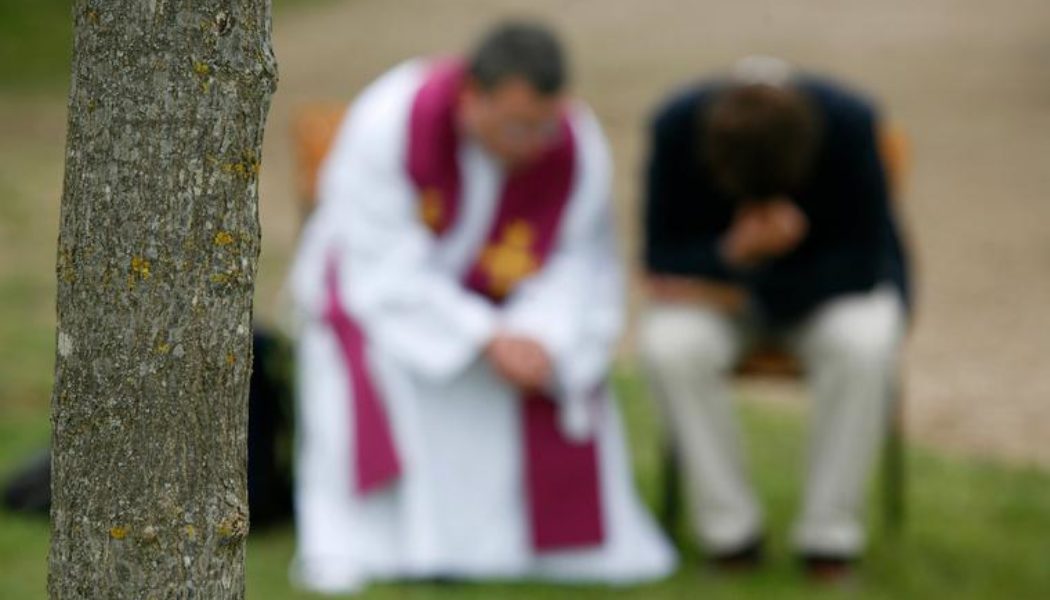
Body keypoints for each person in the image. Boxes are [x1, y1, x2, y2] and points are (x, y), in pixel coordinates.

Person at [286, 21, 675, 594]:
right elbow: (379, 258)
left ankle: (527, 551)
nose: (532, 144)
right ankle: (389, 547)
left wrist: (538, 333)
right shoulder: (391, 118)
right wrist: (482, 335)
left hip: (517, 314)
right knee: (384, 371)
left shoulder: (573, 143)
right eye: (517, 125)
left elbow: (580, 261)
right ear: (473, 98)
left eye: (543, 125)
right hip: (385, 304)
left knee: (559, 382)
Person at [639, 57, 910, 580]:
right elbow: (658, 256)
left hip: (825, 300)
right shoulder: (675, 126)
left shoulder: (852, 123)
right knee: (669, 344)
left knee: (867, 341)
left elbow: (867, 262)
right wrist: (730, 254)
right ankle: (730, 536)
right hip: (726, 297)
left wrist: (746, 290)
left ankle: (829, 541)